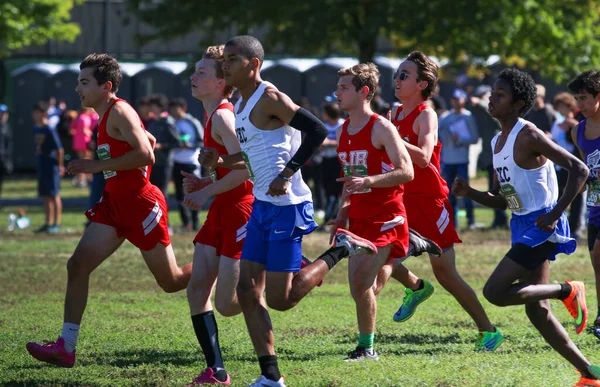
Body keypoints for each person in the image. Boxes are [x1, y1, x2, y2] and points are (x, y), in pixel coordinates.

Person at [199, 35, 390, 387]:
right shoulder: (239, 102)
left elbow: (317, 130)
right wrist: (222, 159)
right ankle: (271, 376)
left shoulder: (269, 96)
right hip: (262, 205)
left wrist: (287, 173)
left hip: (287, 205)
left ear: (253, 64)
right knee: (246, 290)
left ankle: (340, 249)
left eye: (233, 59)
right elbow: (259, 151)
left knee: (281, 299)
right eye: (224, 59)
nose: (225, 64)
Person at [26, 53, 193, 368]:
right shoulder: (107, 115)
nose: (78, 89)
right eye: (79, 81)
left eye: (84, 82)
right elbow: (149, 140)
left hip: (141, 205)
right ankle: (66, 346)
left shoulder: (120, 111)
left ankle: (222, 261)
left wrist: (96, 165)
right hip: (114, 206)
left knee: (170, 282)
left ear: (106, 86)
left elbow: (146, 155)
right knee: (77, 266)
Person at [453, 68, 600, 386]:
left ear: (519, 103)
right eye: (492, 92)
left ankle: (569, 290)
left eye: (501, 95)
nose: (492, 98)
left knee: (494, 291)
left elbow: (579, 169)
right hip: (521, 223)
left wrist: (556, 212)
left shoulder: (529, 134)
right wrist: (470, 193)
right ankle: (590, 374)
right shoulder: (496, 142)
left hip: (543, 222)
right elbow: (501, 199)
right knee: (537, 311)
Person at [384, 52, 501, 351]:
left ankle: (488, 331)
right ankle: (415, 287)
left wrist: (391, 137)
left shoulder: (427, 114)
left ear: (422, 84)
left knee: (446, 274)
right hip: (400, 196)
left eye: (404, 75)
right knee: (377, 252)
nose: (396, 79)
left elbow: (423, 157)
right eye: (397, 74)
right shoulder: (392, 114)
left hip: (430, 201)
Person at [330, 62, 419, 361]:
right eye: (338, 87)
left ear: (363, 92)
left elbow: (407, 171)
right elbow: (348, 181)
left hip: (387, 215)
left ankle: (366, 349)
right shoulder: (343, 130)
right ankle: (402, 255)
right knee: (365, 288)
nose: (336, 93)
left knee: (361, 283)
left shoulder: (381, 127)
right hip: (358, 219)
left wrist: (369, 181)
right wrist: (342, 215)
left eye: (343, 88)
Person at [180, 45, 254, 386]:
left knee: (227, 304)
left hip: (241, 212)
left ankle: (279, 268)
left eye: (202, 73)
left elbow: (246, 170)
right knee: (197, 291)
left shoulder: (224, 116)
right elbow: (224, 170)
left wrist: (204, 192)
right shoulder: (211, 117)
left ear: (222, 83)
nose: (193, 76)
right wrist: (204, 180)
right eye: (195, 71)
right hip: (221, 210)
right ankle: (217, 371)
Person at [568, 70, 600, 339]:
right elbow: (584, 170)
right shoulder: (577, 132)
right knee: (597, 262)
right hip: (595, 204)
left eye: (585, 98)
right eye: (577, 98)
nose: (581, 104)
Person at [439, 88, 479, 230]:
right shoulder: (445, 118)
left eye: (458, 99)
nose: (455, 101)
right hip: (448, 161)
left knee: (466, 191)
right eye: (454, 99)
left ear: (464, 100)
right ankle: (452, 222)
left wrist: (460, 139)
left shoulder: (468, 117)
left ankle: (470, 221)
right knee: (449, 193)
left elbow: (474, 138)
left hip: (461, 160)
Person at [471, 85, 507, 229]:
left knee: (501, 189)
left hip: (499, 156)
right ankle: (498, 220)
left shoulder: (496, 110)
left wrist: (480, 103)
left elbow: (495, 119)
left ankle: (502, 219)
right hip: (489, 157)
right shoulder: (481, 112)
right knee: (492, 189)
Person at [169, 97, 204, 231]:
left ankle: (195, 224)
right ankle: (186, 223)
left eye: (175, 108)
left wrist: (189, 146)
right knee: (179, 194)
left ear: (183, 108)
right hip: (176, 162)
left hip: (191, 162)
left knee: (194, 191)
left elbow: (201, 142)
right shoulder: (171, 123)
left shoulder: (192, 122)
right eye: (170, 109)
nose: (172, 111)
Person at [32, 102, 64, 234]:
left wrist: (60, 166)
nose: (34, 115)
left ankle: (57, 223)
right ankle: (48, 223)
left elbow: (60, 150)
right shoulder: (37, 128)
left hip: (52, 167)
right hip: (42, 166)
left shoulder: (49, 129)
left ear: (44, 114)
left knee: (54, 194)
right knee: (45, 195)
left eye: (37, 113)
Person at [147, 94, 182, 198]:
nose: (151, 108)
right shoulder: (154, 122)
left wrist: (161, 146)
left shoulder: (168, 122)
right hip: (153, 162)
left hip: (164, 163)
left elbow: (177, 142)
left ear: (160, 107)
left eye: (153, 106)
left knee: (161, 194)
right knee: (152, 193)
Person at [0, 104, 13, 201]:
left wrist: (8, 160)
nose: (3, 116)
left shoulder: (7, 127)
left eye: (4, 114)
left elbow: (8, 145)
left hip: (2, 159)